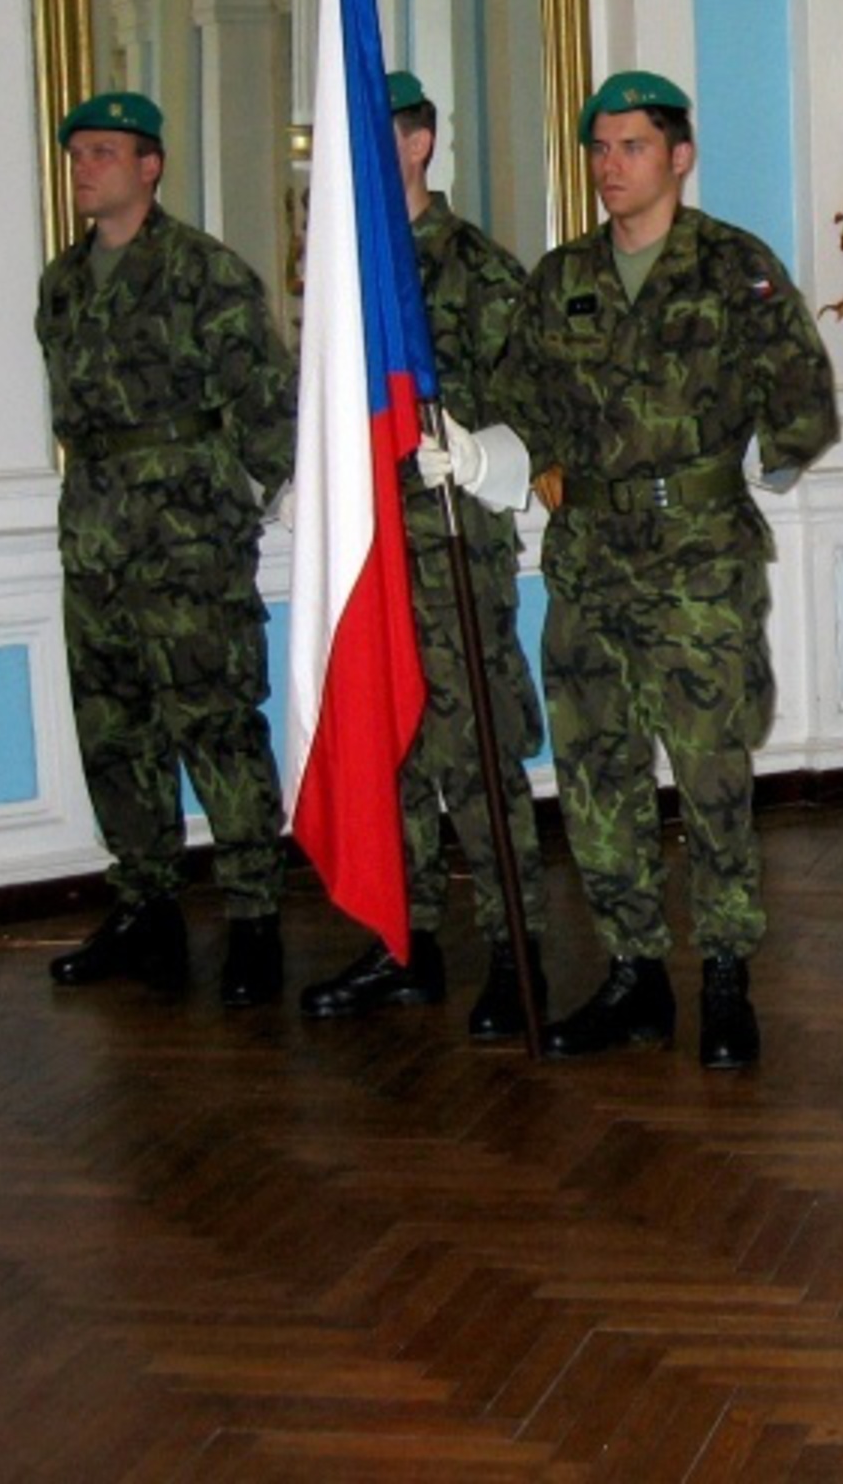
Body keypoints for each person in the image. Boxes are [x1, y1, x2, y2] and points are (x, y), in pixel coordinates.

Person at [488, 71, 837, 1065]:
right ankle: (634, 972)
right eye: (600, 148)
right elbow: (518, 395)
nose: (611, 166)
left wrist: (752, 464)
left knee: (711, 772)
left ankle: (725, 974)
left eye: (633, 146)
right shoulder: (562, 277)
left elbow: (802, 394)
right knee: (598, 772)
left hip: (697, 563)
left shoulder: (734, 266)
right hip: (590, 560)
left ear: (679, 157)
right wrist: (524, 456)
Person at [298, 72, 551, 1039]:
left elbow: (532, 406)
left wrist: (479, 452)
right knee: (388, 750)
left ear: (417, 145)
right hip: (369, 554)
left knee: (474, 756)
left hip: (449, 552)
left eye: (377, 139)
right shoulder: (341, 279)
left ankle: (513, 943)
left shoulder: (477, 271)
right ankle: (403, 943)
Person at [37, 91, 298, 1007]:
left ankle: (255, 917)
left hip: (187, 543)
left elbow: (266, 404)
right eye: (77, 154)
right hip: (97, 538)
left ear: (149, 166)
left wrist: (256, 501)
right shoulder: (63, 284)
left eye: (103, 153)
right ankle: (145, 907)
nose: (84, 169)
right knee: (115, 731)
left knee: (217, 727)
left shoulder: (205, 274)